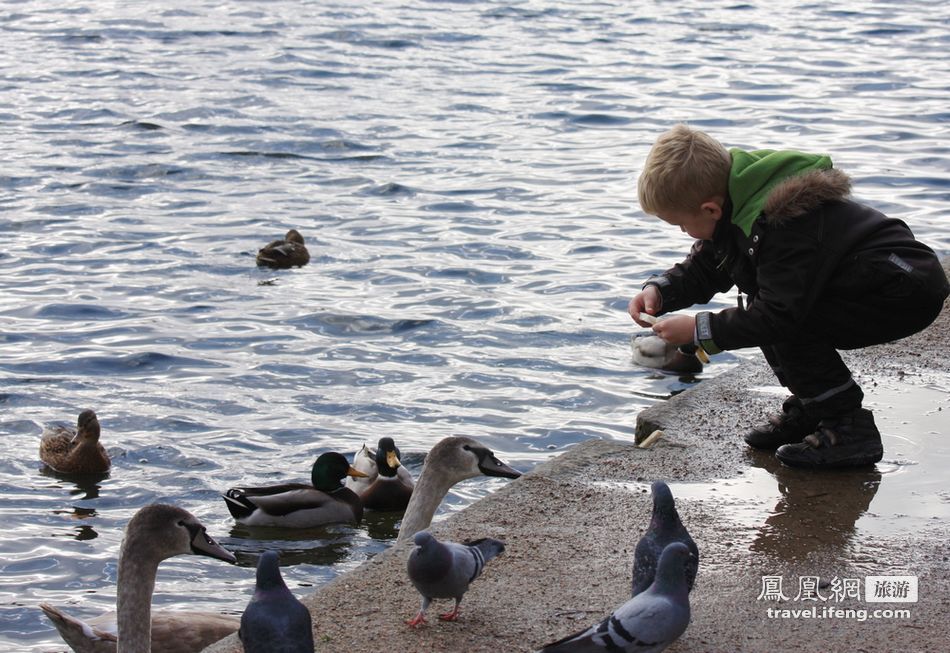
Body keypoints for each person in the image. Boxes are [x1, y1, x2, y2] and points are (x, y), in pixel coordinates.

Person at [628, 124, 948, 469]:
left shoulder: (782, 223)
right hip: (871, 280)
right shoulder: (738, 205)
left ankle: (848, 428)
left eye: (680, 225)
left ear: (710, 210)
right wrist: (660, 290)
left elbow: (778, 314)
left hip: (899, 288)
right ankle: (815, 409)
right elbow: (707, 266)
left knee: (778, 319)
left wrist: (699, 331)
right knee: (768, 309)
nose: (683, 232)